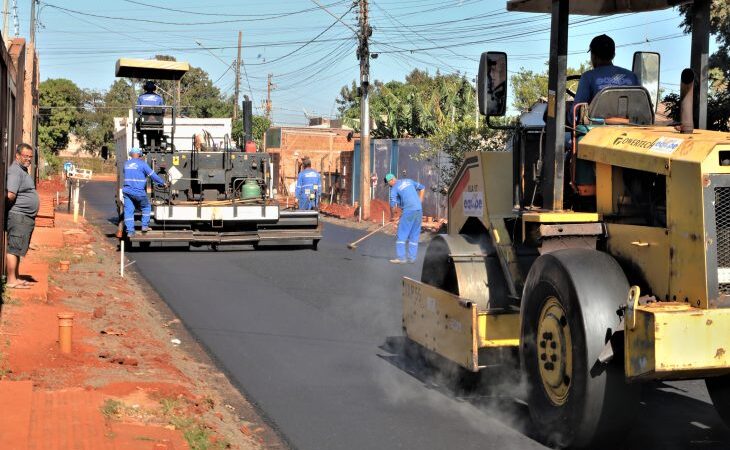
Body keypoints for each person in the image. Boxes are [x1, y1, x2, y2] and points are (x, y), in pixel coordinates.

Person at [5, 143, 39, 289]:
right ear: (17, 155)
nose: (29, 159)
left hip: (23, 217)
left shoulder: (22, 170)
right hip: (18, 216)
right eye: (25, 156)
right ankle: (11, 280)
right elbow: (10, 195)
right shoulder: (15, 171)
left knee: (17, 249)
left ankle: (16, 277)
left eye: (31, 156)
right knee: (14, 249)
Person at [574, 34, 639, 106]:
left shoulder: (587, 77)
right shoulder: (632, 76)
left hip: (598, 117)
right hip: (628, 117)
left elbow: (577, 110)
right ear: (613, 55)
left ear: (593, 56)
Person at [122, 147, 166, 237]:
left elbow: (126, 173)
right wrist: (163, 183)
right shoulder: (143, 164)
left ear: (131, 154)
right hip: (138, 192)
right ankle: (144, 226)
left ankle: (130, 231)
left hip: (127, 192)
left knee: (128, 211)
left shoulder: (126, 164)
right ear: (139, 154)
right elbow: (153, 175)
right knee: (146, 207)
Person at [386, 173, 424, 264]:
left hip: (409, 212)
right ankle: (412, 258)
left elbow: (392, 204)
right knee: (414, 235)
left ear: (391, 180)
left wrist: (393, 216)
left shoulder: (394, 188)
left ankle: (401, 258)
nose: (388, 186)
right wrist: (420, 200)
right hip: (418, 211)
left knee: (401, 234)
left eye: (388, 183)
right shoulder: (409, 181)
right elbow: (422, 187)